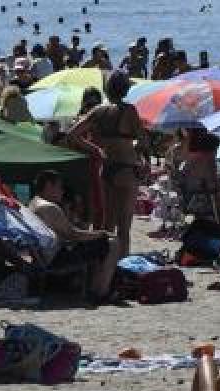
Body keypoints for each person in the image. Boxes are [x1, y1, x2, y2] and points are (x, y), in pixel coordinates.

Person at [71, 71, 145, 257]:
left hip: (106, 168)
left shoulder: (98, 111)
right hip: (127, 169)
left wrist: (95, 149)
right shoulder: (129, 110)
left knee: (108, 225)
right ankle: (122, 268)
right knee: (124, 227)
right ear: (126, 89)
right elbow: (144, 142)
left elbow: (72, 134)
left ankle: (106, 266)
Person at [28, 170, 119, 301]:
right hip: (55, 259)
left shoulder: (33, 203)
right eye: (59, 187)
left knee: (102, 242)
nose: (62, 191)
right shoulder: (50, 208)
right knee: (112, 242)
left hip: (42, 257)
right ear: (48, 185)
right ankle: (100, 291)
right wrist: (101, 233)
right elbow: (73, 234)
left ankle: (96, 286)